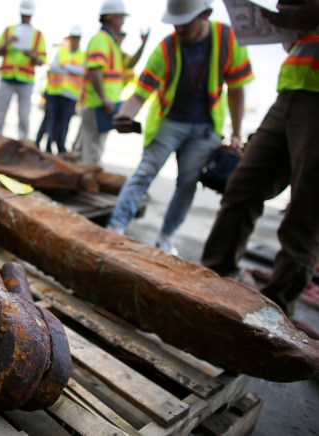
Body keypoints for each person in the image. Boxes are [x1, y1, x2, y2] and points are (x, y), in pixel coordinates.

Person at [201, 1, 319, 337]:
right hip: (293, 89)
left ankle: (276, 313)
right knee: (242, 187)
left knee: (305, 210)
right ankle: (215, 278)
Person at [107, 0, 254, 255]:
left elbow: (237, 90)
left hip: (205, 127)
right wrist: (124, 114)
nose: (179, 29)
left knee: (188, 181)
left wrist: (237, 134)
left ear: (204, 14)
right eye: (175, 23)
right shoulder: (167, 47)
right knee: (144, 172)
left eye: (184, 23)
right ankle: (116, 226)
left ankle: (166, 236)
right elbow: (141, 92)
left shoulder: (227, 39)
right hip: (170, 122)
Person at [73, 0, 127, 164]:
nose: (123, 21)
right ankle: (88, 185)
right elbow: (95, 71)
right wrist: (104, 98)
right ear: (111, 18)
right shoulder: (102, 40)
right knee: (93, 151)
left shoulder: (109, 41)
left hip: (101, 104)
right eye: (121, 17)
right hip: (98, 104)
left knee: (85, 149)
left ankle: (79, 181)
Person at [0, 0, 47, 140]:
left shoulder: (38, 36)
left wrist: (31, 55)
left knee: (23, 116)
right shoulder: (9, 31)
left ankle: (22, 143)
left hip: (26, 80)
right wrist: (7, 42)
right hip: (7, 77)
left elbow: (42, 61)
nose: (25, 17)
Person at [42, 26, 86, 154]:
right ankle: (49, 146)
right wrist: (71, 68)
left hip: (71, 95)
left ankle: (60, 146)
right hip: (56, 92)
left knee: (64, 123)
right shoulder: (61, 52)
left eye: (77, 38)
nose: (74, 40)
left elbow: (83, 71)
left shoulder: (83, 55)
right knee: (52, 121)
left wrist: (67, 66)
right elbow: (54, 67)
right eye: (73, 38)